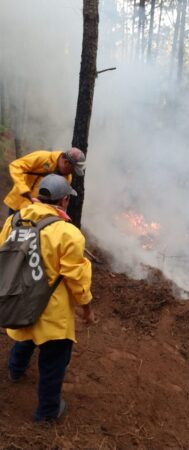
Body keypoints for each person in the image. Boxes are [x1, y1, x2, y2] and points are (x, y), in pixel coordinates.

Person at [0, 174, 94, 421]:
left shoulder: (13, 220)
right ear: (64, 201)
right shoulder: (68, 233)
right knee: (53, 362)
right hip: (52, 311)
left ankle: (15, 370)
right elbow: (77, 278)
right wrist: (86, 307)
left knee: (26, 335)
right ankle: (48, 412)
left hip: (20, 300)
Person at [3, 147, 86, 214]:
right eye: (73, 169)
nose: (73, 173)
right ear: (66, 162)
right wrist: (23, 189)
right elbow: (16, 166)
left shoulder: (68, 178)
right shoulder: (43, 157)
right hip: (19, 203)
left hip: (37, 212)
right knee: (12, 231)